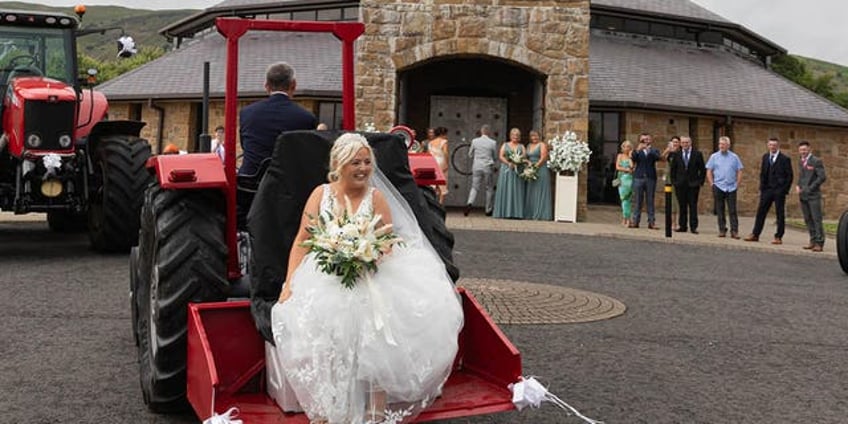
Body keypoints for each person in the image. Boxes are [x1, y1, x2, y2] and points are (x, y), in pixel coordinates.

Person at [269, 133, 463, 423]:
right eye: (355, 162)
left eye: (367, 162)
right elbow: (302, 240)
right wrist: (288, 284)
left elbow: (388, 242)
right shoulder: (320, 195)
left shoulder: (376, 197)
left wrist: (364, 253)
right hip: (325, 275)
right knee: (324, 335)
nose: (362, 168)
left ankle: (375, 412)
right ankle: (329, 410)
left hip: (371, 274)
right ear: (339, 164)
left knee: (375, 336)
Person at [239, 62, 318, 177]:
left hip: (249, 183)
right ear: (293, 85)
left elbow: (244, 145)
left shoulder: (247, 113)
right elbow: (307, 153)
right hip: (287, 184)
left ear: (266, 86)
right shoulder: (306, 118)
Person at [743, 137, 793, 244]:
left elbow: (789, 176)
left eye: (774, 145)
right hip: (767, 190)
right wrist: (762, 187)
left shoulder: (785, 159)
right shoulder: (765, 157)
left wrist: (784, 190)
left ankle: (778, 236)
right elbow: (762, 173)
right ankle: (755, 234)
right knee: (761, 212)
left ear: (778, 146)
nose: (772, 147)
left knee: (780, 214)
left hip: (779, 190)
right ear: (768, 145)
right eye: (770, 145)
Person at [705, 136, 744, 239]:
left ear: (728, 145)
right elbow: (709, 170)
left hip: (731, 187)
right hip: (718, 186)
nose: (721, 146)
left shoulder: (734, 157)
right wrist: (712, 184)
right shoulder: (714, 156)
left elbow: (739, 170)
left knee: (732, 210)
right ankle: (722, 229)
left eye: (723, 144)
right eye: (720, 144)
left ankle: (734, 231)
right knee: (720, 209)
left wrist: (737, 184)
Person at [669, 135, 706, 234]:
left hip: (693, 184)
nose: (685, 144)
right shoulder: (677, 154)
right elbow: (673, 170)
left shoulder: (697, 154)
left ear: (690, 143)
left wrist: (700, 182)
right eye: (683, 142)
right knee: (682, 206)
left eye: (687, 142)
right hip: (680, 184)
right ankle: (683, 226)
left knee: (693, 206)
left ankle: (693, 227)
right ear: (681, 144)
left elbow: (702, 169)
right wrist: (674, 182)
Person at [796, 140, 827, 252]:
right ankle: (812, 240)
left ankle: (819, 242)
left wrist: (810, 188)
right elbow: (801, 176)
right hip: (803, 195)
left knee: (816, 219)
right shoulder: (801, 161)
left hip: (813, 195)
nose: (802, 152)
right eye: (801, 150)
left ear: (809, 149)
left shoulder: (816, 161)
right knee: (808, 219)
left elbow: (822, 177)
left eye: (804, 149)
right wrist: (798, 186)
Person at [493, 128, 526, 219]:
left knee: (517, 190)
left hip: (517, 170)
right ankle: (504, 212)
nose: (515, 137)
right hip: (506, 170)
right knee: (506, 189)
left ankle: (516, 213)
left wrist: (517, 162)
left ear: (519, 137)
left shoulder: (521, 146)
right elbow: (501, 156)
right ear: (510, 136)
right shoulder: (505, 145)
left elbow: (524, 156)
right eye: (513, 135)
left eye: (517, 135)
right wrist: (508, 163)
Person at [465, 124, 498, 216]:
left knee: (475, 187)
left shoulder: (475, 141)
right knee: (489, 188)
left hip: (476, 166)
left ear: (481, 131)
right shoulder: (493, 142)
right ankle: (488, 210)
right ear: (489, 132)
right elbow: (495, 156)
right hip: (487, 166)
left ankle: (469, 203)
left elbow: (470, 154)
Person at [629, 133, 661, 229]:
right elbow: (633, 158)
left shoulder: (654, 150)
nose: (645, 142)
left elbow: (657, 157)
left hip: (650, 177)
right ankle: (635, 221)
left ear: (650, 140)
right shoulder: (637, 150)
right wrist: (638, 149)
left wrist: (649, 150)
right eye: (643, 140)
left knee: (650, 200)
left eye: (647, 139)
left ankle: (651, 222)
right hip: (639, 177)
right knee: (638, 200)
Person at [523, 130, 552, 221]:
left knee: (540, 191)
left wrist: (535, 166)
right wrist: (527, 163)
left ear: (539, 136)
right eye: (532, 136)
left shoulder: (542, 145)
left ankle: (541, 214)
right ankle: (531, 213)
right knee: (531, 191)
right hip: (531, 169)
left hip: (540, 170)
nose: (534, 138)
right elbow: (525, 157)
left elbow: (544, 158)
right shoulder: (528, 146)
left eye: (536, 136)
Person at [662, 136, 681, 230]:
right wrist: (668, 150)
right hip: (669, 180)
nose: (675, 144)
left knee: (677, 202)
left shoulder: (681, 153)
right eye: (673, 142)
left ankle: (678, 222)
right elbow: (662, 158)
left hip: (678, 179)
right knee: (671, 201)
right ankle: (672, 223)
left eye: (677, 142)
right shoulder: (669, 153)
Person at [615, 140, 635, 227]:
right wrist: (626, 169)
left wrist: (630, 157)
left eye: (629, 147)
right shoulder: (620, 156)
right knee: (624, 199)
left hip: (630, 180)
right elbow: (617, 166)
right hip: (622, 179)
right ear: (622, 148)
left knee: (628, 200)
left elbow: (632, 167)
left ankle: (627, 219)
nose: (627, 148)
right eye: (625, 146)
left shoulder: (632, 157)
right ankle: (626, 219)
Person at [428, 127, 450, 204]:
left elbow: (429, 154)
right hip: (441, 161)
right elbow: (445, 153)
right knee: (442, 182)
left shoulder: (431, 142)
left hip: (432, 162)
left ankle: (432, 201)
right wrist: (447, 162)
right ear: (443, 134)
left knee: (433, 182)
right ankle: (440, 203)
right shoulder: (444, 142)